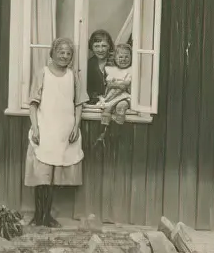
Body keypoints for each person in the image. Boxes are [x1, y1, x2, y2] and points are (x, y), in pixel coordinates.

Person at [26, 36, 84, 227]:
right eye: (61, 52)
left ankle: (48, 216)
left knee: (52, 178)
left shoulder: (72, 75)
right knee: (42, 175)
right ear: (52, 53)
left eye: (68, 53)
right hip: (45, 127)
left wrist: (76, 126)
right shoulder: (43, 73)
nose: (64, 56)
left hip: (64, 130)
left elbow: (78, 104)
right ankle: (38, 215)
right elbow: (33, 104)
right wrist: (35, 127)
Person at [93, 38, 133, 142]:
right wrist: (116, 85)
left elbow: (125, 86)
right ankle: (104, 131)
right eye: (120, 57)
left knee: (121, 107)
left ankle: (117, 131)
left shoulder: (131, 70)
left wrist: (117, 85)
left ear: (131, 58)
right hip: (112, 95)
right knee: (107, 109)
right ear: (115, 58)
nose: (123, 59)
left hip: (124, 96)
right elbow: (109, 84)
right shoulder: (112, 70)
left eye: (126, 57)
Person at [84, 29, 115, 105]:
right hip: (95, 105)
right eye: (96, 46)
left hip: (114, 103)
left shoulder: (115, 62)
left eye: (104, 46)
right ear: (91, 47)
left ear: (109, 46)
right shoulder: (88, 65)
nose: (100, 50)